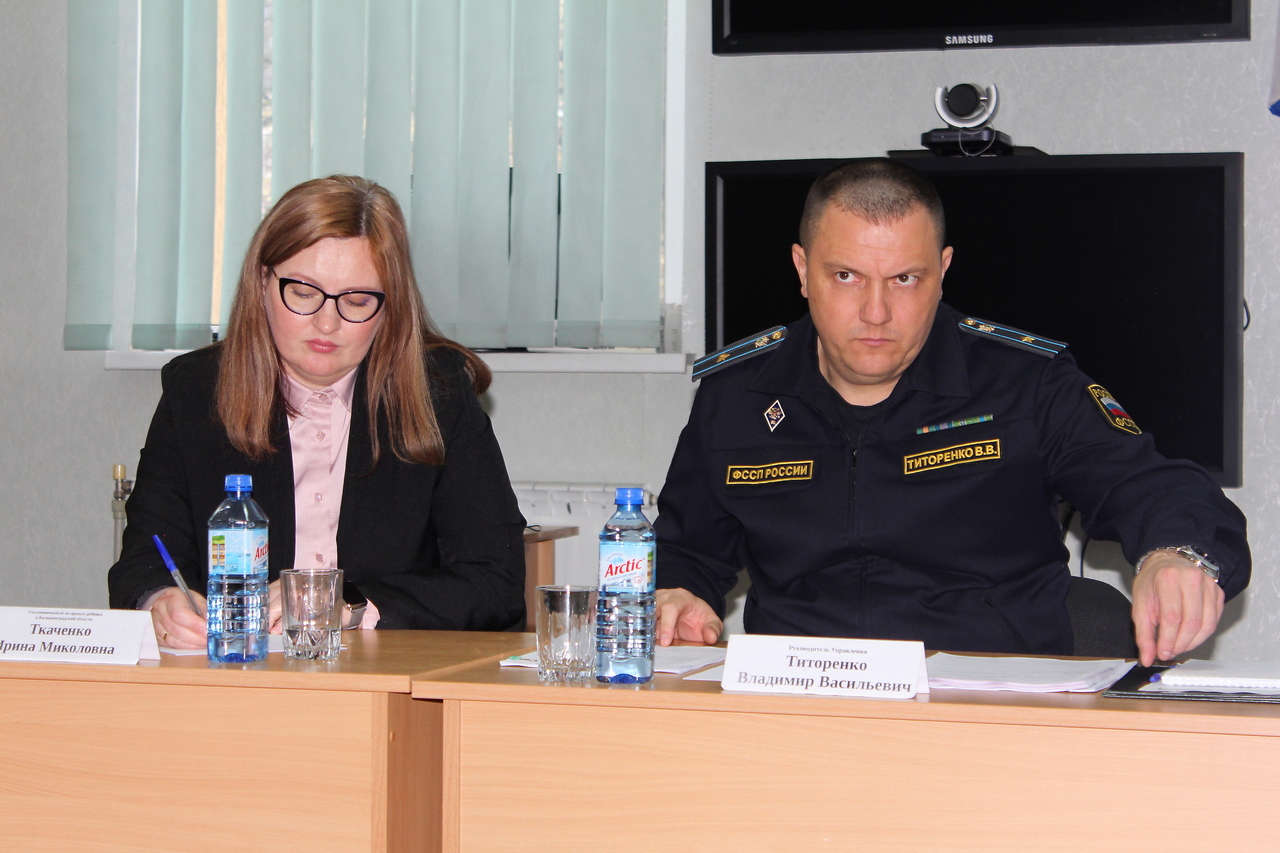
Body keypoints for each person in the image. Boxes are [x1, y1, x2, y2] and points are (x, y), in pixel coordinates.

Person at [654, 158, 1249, 667]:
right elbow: (686, 550)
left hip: (988, 701)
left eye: (905, 279)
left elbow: (1152, 486)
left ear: (942, 272)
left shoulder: (1026, 385)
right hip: (802, 699)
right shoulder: (736, 395)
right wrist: (675, 592)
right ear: (802, 270)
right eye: (847, 276)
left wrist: (1177, 554)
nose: (877, 312)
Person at [108, 175, 526, 648]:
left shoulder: (439, 392)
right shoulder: (196, 390)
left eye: (357, 300)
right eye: (304, 293)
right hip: (243, 669)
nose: (327, 323)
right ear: (262, 282)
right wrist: (158, 599)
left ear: (389, 306)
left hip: (385, 670)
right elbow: (145, 558)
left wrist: (344, 603)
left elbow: (496, 582)